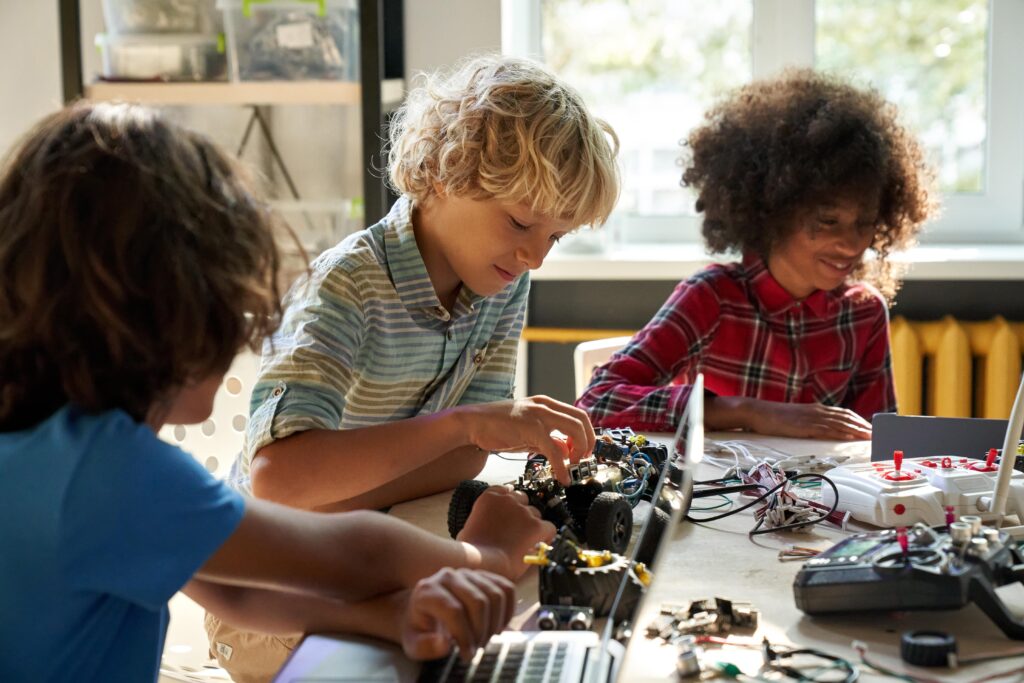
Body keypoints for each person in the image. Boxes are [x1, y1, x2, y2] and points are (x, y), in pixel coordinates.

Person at [0, 103, 556, 683]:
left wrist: (387, 616)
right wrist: (488, 555)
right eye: (231, 303)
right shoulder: (111, 474)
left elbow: (234, 593)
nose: (243, 334)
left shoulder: (41, 448)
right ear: (165, 314)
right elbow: (358, 555)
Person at [231, 54, 620, 514]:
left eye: (554, 237)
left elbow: (468, 458)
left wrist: (342, 503)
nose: (534, 258)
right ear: (444, 173)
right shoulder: (345, 283)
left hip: (368, 526)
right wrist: (464, 424)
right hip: (268, 544)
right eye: (519, 223)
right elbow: (278, 481)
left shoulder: (503, 284)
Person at [577, 68, 936, 440]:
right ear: (775, 211)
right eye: (828, 221)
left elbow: (878, 444)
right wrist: (745, 410)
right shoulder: (712, 297)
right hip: (721, 480)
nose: (851, 244)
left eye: (865, 223)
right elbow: (596, 402)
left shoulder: (863, 311)